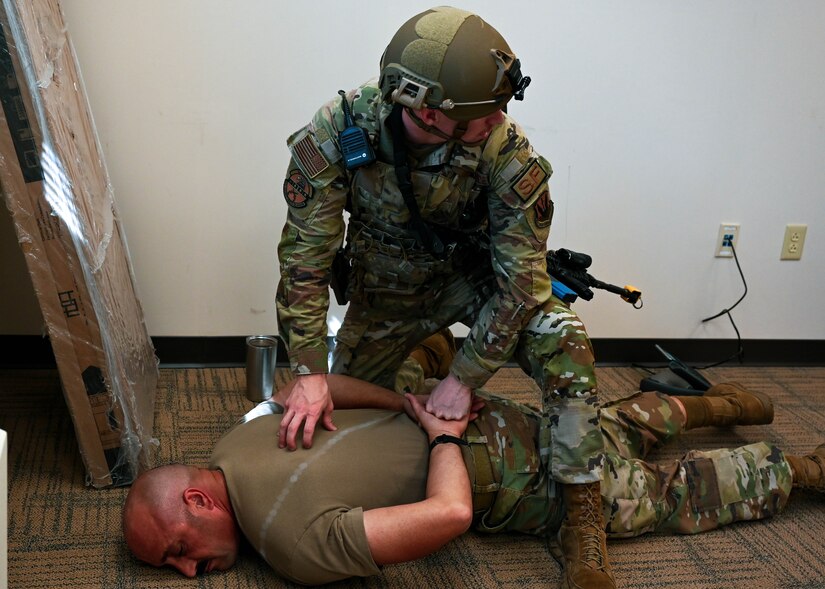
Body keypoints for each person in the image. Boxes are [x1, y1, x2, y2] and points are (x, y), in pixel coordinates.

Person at [275, 7, 609, 584]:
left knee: (565, 341)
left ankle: (583, 513)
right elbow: (304, 260)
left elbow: (521, 283)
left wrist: (466, 377)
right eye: (486, 112)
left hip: (471, 285)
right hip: (384, 293)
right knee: (350, 418)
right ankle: (424, 351)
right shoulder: (338, 132)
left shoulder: (506, 152)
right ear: (429, 113)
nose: (500, 119)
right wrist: (307, 369)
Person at [123, 374, 825, 585]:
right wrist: (413, 404)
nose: (189, 573)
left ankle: (799, 470)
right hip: (496, 414)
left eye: (177, 550)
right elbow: (322, 386)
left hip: (506, 477)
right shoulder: (234, 435)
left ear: (196, 497)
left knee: (660, 496)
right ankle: (723, 403)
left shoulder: (289, 543)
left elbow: (452, 512)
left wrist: (443, 438)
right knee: (599, 425)